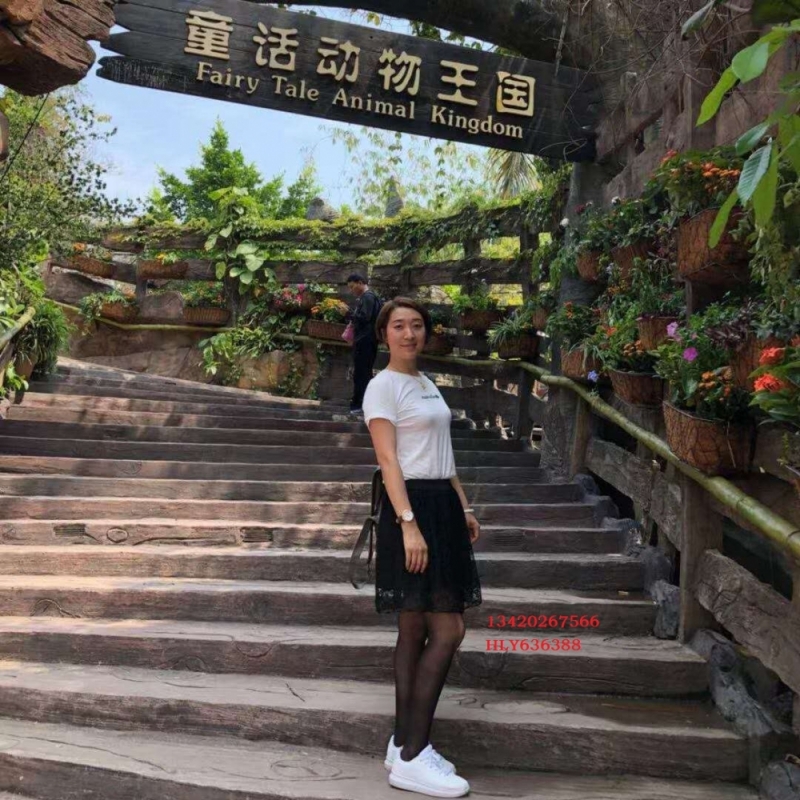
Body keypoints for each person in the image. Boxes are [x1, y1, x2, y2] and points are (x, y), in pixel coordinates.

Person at [361, 297, 482, 798]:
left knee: (413, 628)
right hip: (411, 508)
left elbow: (441, 452)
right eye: (398, 326)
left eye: (416, 325)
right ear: (383, 334)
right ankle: (415, 755)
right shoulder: (382, 386)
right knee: (448, 628)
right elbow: (389, 461)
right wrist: (409, 525)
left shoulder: (427, 384)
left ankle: (400, 744)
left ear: (426, 333)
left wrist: (464, 505)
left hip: (442, 506)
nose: (409, 334)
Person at [346, 273, 380, 415]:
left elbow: (364, 318)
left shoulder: (368, 297)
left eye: (352, 287)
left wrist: (348, 313)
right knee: (363, 373)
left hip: (365, 341)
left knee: (361, 374)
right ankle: (361, 404)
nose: (351, 290)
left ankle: (359, 405)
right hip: (367, 341)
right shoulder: (369, 297)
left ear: (360, 282)